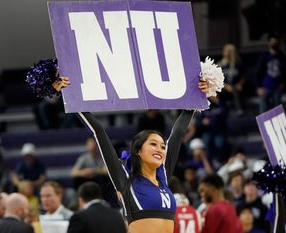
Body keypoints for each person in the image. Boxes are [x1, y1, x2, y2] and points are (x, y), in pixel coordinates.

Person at [53, 76, 209, 233]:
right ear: (138, 151)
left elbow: (179, 132)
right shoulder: (126, 179)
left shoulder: (163, 175)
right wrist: (68, 93)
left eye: (162, 146)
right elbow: (98, 131)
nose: (160, 149)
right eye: (153, 144)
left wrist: (197, 94)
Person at [255, 34, 286, 113]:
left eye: (276, 42)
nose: (274, 44)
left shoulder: (282, 57)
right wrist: (259, 87)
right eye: (272, 42)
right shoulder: (263, 56)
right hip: (265, 87)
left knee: (277, 112)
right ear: (268, 43)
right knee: (263, 112)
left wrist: (284, 83)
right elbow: (258, 72)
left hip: (277, 88)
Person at [218, 43, 246, 115]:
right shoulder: (221, 64)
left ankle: (239, 110)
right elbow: (216, 79)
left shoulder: (238, 64)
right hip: (223, 87)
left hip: (235, 87)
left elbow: (244, 76)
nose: (224, 52)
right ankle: (221, 109)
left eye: (226, 51)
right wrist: (226, 86)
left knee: (235, 90)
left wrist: (239, 84)